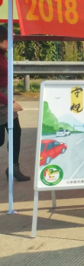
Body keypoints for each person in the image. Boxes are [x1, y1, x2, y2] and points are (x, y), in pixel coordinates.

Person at [0, 26, 28, 181]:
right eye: (9, 38)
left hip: (6, 98)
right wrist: (9, 102)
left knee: (15, 131)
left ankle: (13, 167)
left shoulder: (4, 53)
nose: (12, 40)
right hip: (2, 100)